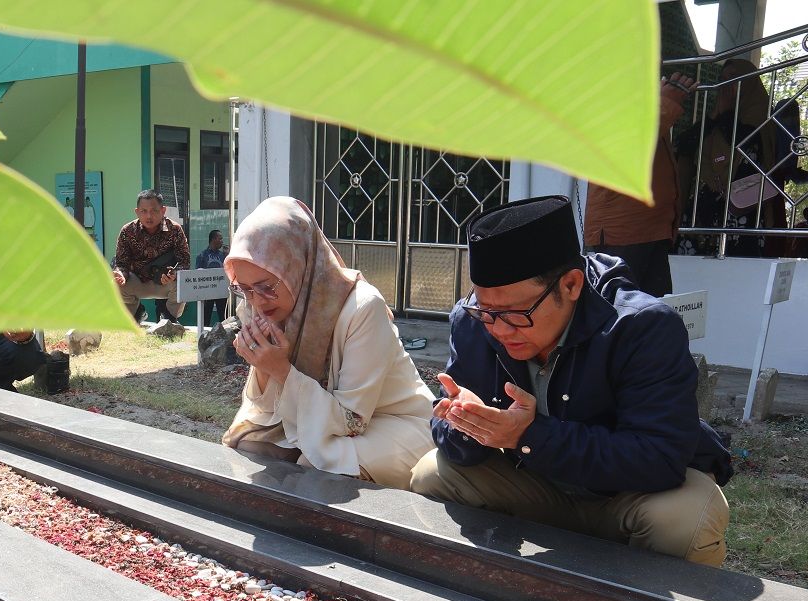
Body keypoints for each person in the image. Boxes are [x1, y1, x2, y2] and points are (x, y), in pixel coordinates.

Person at [409, 196, 732, 566]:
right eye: (486, 310)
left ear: (571, 285)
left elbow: (658, 458)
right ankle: (475, 588)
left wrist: (526, 436)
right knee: (433, 474)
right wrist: (466, 423)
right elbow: (449, 424)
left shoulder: (642, 327)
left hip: (629, 497)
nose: (498, 329)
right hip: (536, 484)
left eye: (516, 313)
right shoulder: (473, 323)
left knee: (684, 520)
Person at [221, 196, 435, 489]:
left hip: (393, 421)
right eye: (243, 289)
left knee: (316, 466)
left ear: (297, 266)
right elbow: (263, 409)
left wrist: (280, 369)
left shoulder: (361, 307)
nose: (256, 301)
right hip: (320, 420)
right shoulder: (257, 307)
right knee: (249, 445)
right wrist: (263, 365)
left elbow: (353, 421)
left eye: (266, 287)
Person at [584, 73, 695, 297]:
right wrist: (665, 103)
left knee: (655, 318)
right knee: (621, 317)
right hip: (624, 233)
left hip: (649, 230)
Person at [675, 58, 780, 258]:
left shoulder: (759, 118)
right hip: (704, 213)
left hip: (740, 213)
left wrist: (725, 115)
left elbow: (746, 144)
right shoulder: (714, 120)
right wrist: (716, 115)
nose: (726, 85)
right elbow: (685, 144)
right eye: (722, 79)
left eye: (734, 78)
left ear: (748, 82)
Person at [112, 190, 190, 325]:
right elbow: (121, 263)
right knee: (116, 284)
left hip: (165, 283)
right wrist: (120, 274)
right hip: (137, 281)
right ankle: (136, 313)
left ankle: (169, 318)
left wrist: (174, 274)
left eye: (154, 211)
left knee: (183, 283)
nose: (149, 216)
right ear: (137, 212)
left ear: (163, 210)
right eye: (143, 211)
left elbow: (185, 262)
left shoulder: (175, 230)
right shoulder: (127, 231)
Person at [196, 229, 229, 326]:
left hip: (221, 291)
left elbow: (228, 270)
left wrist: (228, 256)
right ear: (213, 239)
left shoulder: (222, 255)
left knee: (224, 316)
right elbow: (198, 274)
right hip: (207, 291)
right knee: (206, 317)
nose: (222, 241)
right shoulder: (202, 256)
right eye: (220, 238)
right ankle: (203, 335)